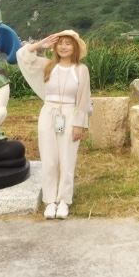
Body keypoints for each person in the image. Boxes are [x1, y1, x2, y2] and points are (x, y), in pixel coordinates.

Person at [16, 30, 92, 220]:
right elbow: (22, 57)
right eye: (60, 43)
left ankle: (64, 200)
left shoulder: (80, 69)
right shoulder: (48, 65)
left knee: (67, 159)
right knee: (49, 159)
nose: (64, 47)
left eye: (68, 43)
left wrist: (79, 125)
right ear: (55, 46)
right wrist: (40, 44)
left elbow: (83, 99)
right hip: (48, 114)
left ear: (75, 47)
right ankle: (50, 201)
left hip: (70, 114)